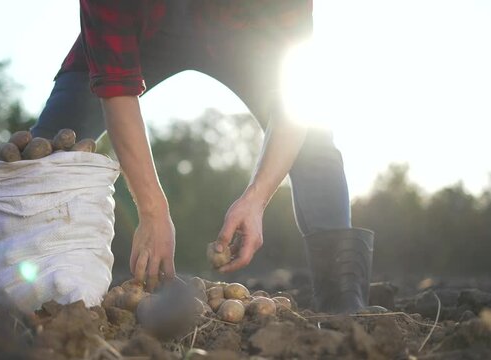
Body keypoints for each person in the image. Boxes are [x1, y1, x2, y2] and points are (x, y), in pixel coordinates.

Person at [31, 0, 377, 314]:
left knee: (313, 143)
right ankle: (20, 290)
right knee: (48, 147)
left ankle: (344, 304)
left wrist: (256, 199)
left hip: (246, 37)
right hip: (143, 29)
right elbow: (115, 88)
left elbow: (296, 103)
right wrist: (152, 210)